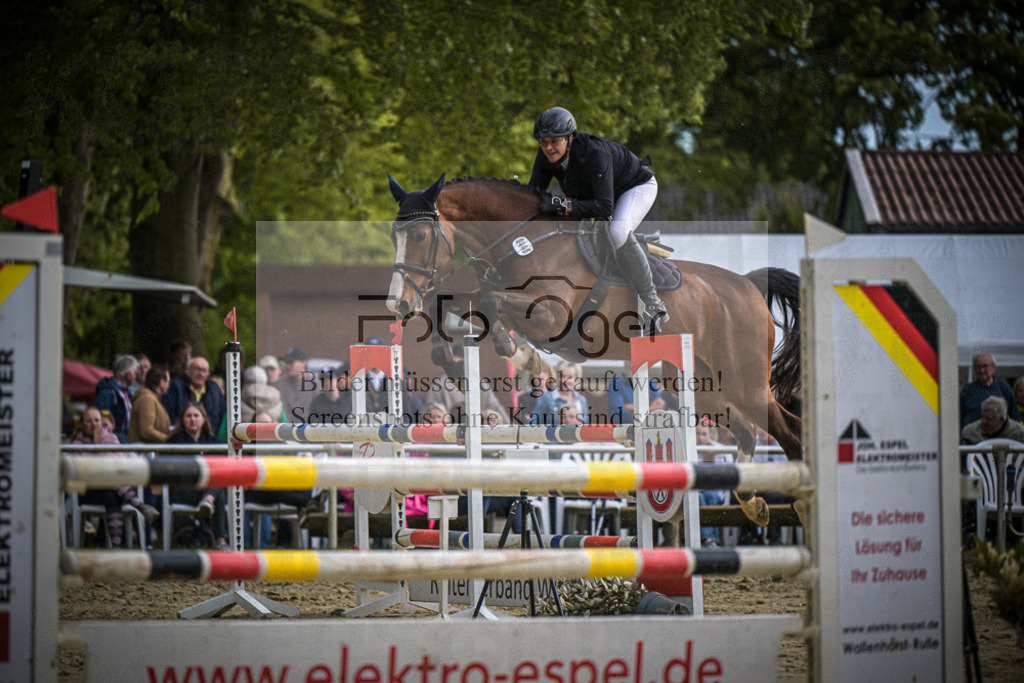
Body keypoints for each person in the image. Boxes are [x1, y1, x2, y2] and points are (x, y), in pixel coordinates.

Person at [528, 106, 667, 332]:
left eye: (554, 141)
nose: (549, 147)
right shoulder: (545, 157)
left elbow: (604, 206)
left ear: (570, 138)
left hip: (634, 187)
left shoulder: (594, 152)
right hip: (602, 194)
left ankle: (653, 302)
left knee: (617, 231)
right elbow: (534, 194)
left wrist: (562, 206)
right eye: (543, 142)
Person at [70, 406, 160, 547]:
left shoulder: (112, 439)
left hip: (112, 490)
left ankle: (115, 548)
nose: (94, 424)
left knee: (112, 493)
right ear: (81, 425)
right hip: (90, 491)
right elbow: (85, 472)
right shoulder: (76, 446)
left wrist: (98, 446)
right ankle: (140, 506)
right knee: (111, 486)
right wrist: (96, 445)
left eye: (97, 420)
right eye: (88, 421)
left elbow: (118, 463)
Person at [165, 402, 229, 549]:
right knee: (217, 494)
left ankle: (208, 499)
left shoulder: (213, 443)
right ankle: (220, 540)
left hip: (207, 489)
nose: (192, 419)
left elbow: (224, 468)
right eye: (188, 416)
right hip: (183, 490)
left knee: (218, 484)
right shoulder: (173, 442)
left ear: (203, 419)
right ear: (182, 420)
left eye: (196, 415)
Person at [163, 356, 227, 437]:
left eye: (204, 370)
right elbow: (169, 413)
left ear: (208, 374)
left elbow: (222, 415)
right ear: (187, 371)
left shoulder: (215, 389)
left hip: (209, 440)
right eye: (197, 369)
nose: (200, 373)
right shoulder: (176, 386)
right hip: (182, 440)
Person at [960, 353, 1020, 428]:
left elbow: (1015, 416)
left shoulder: (1004, 388)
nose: (982, 370)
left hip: (998, 437)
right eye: (978, 366)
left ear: (993, 368)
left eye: (985, 366)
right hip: (973, 437)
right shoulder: (967, 390)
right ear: (974, 369)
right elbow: (959, 417)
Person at [696, 418, 727, 548]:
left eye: (704, 434)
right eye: (697, 434)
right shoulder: (687, 450)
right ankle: (710, 539)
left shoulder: (718, 450)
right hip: (695, 492)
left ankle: (707, 539)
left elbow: (724, 477)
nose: (701, 438)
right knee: (699, 497)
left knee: (711, 496)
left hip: (714, 491)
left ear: (710, 435)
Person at [94, 354, 139, 442]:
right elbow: (102, 425)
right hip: (114, 445)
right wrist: (122, 441)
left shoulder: (127, 394)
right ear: (128, 373)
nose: (135, 377)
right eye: (135, 373)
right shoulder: (107, 393)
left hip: (124, 444)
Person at [530, 361, 588, 425]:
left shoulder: (581, 400)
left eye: (570, 377)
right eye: (562, 376)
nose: (565, 380)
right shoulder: (546, 398)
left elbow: (586, 425)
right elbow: (532, 424)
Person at [128, 364, 172, 443]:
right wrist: (169, 440)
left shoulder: (153, 399)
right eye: (168, 381)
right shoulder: (147, 399)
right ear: (161, 382)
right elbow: (146, 431)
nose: (169, 385)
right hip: (145, 453)